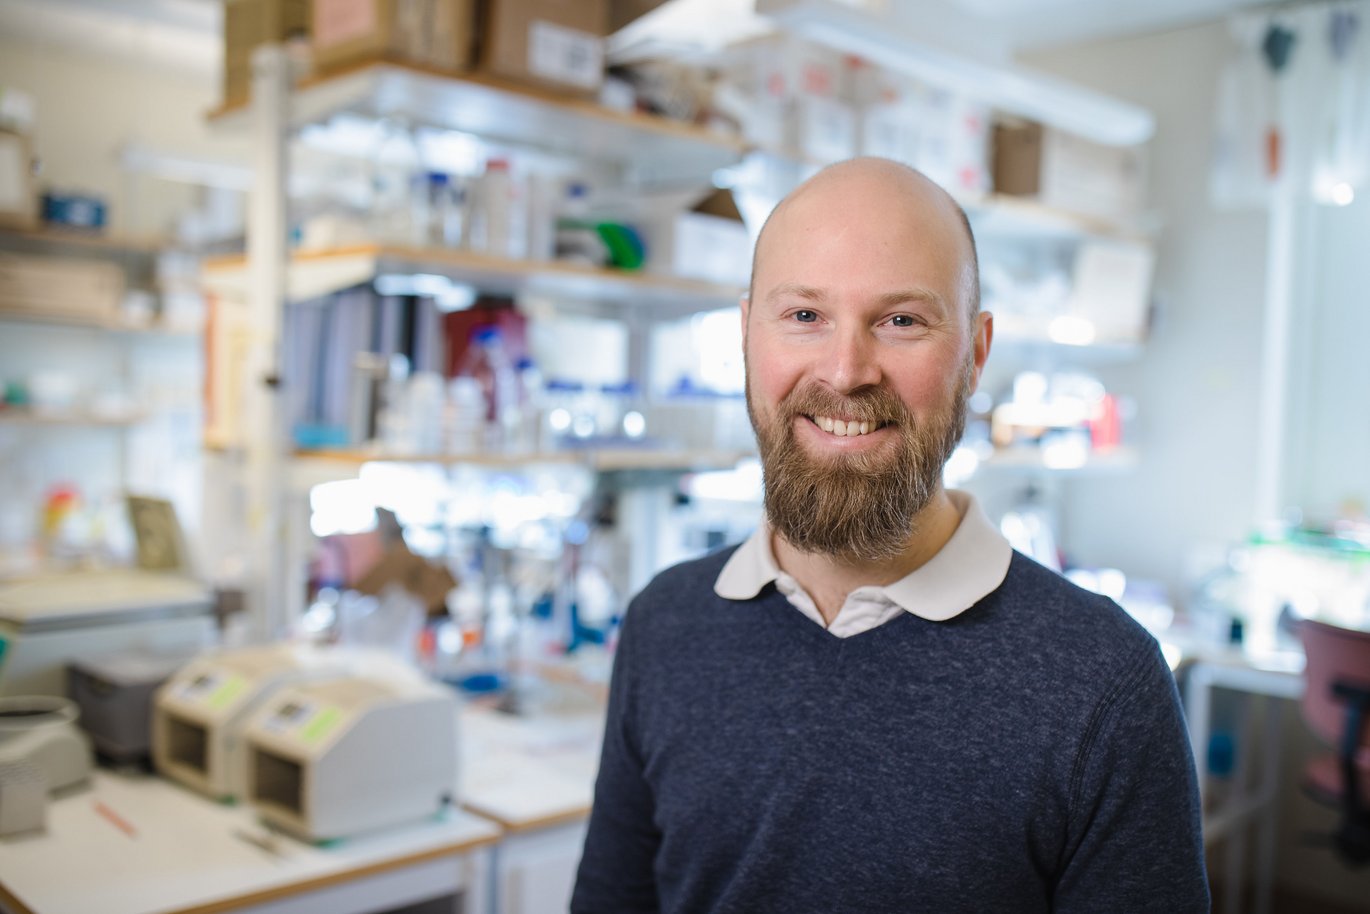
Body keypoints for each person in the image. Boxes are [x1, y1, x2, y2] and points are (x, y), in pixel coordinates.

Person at [571, 157, 1208, 913]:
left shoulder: (1105, 686)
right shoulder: (665, 625)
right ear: (747, 337)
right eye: (804, 316)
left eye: (901, 320)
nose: (845, 373)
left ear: (974, 354)